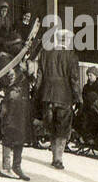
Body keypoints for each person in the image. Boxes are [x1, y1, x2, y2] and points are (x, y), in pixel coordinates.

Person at [34, 27, 81, 169]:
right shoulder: (71, 56)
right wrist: (78, 98)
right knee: (63, 128)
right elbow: (74, 79)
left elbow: (39, 76)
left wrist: (37, 93)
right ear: (66, 40)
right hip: (64, 97)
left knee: (52, 126)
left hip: (47, 96)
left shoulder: (45, 53)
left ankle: (54, 155)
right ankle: (58, 158)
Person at [0, 64, 33, 181]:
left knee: (20, 132)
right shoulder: (9, 59)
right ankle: (6, 167)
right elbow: (6, 80)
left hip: (22, 99)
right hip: (12, 100)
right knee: (10, 132)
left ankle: (16, 166)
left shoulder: (23, 64)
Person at [74, 67, 98, 144]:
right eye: (88, 75)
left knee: (95, 119)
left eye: (91, 75)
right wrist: (77, 107)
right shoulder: (86, 86)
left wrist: (97, 102)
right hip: (85, 108)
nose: (89, 77)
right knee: (80, 119)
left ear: (95, 76)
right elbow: (82, 97)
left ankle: (92, 137)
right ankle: (81, 136)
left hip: (95, 108)